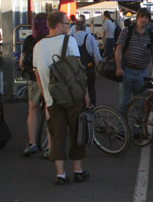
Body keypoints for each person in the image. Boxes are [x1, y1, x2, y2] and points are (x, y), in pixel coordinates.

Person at [33, 10, 90, 185]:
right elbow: (78, 70)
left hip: (52, 99)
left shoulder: (38, 46)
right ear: (58, 25)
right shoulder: (69, 41)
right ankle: (78, 171)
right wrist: (85, 93)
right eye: (67, 24)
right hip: (72, 97)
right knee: (76, 132)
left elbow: (37, 74)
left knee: (57, 135)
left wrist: (45, 97)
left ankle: (60, 175)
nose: (68, 26)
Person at [115, 8, 153, 111]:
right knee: (124, 103)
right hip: (127, 71)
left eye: (146, 17)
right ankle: (121, 127)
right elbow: (119, 49)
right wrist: (119, 67)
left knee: (140, 104)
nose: (144, 20)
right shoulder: (127, 31)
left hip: (142, 73)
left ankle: (138, 127)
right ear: (137, 18)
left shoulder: (151, 35)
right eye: (141, 17)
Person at [20, 13, 49, 156]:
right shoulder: (52, 39)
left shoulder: (29, 40)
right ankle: (50, 147)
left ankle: (32, 143)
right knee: (50, 110)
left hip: (33, 78)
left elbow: (22, 62)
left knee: (33, 110)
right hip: (50, 79)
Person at [73, 15, 101, 106]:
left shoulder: (71, 39)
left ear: (75, 28)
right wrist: (98, 66)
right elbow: (97, 55)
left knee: (78, 89)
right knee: (91, 87)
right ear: (85, 28)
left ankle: (80, 107)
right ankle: (93, 107)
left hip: (76, 70)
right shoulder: (90, 38)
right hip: (89, 68)